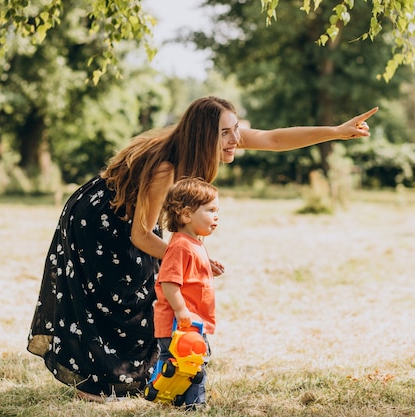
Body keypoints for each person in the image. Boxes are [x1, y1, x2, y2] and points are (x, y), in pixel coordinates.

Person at [27, 96, 377, 402]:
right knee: (125, 290)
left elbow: (272, 138)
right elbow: (141, 236)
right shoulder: (166, 168)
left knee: (152, 281)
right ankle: (94, 384)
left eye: (235, 129)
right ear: (203, 135)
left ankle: (128, 376)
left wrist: (336, 130)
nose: (235, 140)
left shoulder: (207, 146)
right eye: (226, 133)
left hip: (131, 216)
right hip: (100, 217)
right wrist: (193, 258)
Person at [153, 177, 220, 410]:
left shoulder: (194, 243)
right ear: (186, 215)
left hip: (192, 323)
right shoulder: (181, 246)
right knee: (191, 364)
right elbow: (169, 282)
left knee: (188, 363)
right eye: (210, 210)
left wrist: (207, 269)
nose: (216, 216)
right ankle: (194, 404)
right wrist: (182, 311)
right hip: (180, 324)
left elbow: (190, 277)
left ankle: (176, 400)